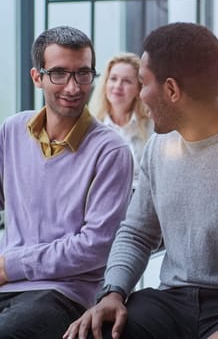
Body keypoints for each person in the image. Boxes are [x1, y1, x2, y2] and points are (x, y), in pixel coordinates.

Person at [63, 22, 218, 339]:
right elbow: (137, 233)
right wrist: (113, 292)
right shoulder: (158, 147)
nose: (140, 95)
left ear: (172, 90)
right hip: (174, 302)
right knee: (95, 332)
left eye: (143, 84)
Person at [0, 26, 134, 338]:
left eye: (83, 74)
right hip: (8, 280)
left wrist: (12, 265)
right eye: (59, 74)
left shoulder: (110, 151)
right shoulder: (12, 130)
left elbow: (95, 248)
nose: (73, 87)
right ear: (37, 77)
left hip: (65, 293)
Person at [89, 52, 153, 188]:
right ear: (105, 83)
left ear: (138, 89)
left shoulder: (152, 126)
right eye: (113, 79)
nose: (118, 86)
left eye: (127, 81)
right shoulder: (91, 126)